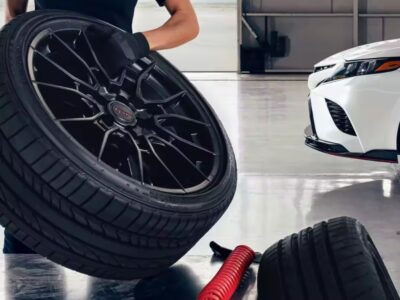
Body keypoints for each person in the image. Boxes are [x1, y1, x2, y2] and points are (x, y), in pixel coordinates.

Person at [3, 0, 200, 254]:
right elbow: (14, 16)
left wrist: (138, 43)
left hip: (111, 97)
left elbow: (187, 21)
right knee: (30, 219)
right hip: (44, 91)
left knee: (113, 227)